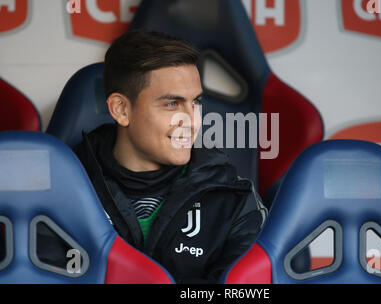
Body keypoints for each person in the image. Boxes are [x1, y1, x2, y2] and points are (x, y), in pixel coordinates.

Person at [74, 29, 267, 283]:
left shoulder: (234, 198)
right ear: (121, 110)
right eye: (172, 104)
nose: (191, 121)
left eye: (196, 102)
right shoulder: (68, 187)